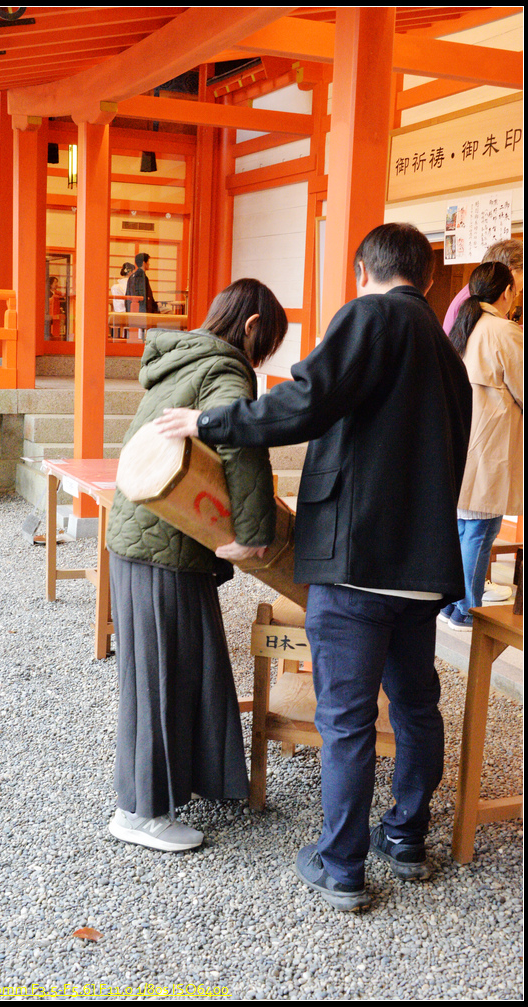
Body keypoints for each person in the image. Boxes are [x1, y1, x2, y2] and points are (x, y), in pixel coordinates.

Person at [154, 223, 472, 910]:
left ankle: (341, 864)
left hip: (356, 560)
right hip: (422, 565)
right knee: (416, 707)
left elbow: (306, 399)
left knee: (347, 718)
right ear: (424, 276)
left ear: (363, 270)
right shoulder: (448, 350)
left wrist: (209, 422)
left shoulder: (369, 315)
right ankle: (406, 837)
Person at [106, 278, 289, 853]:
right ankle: (141, 812)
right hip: (165, 539)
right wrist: (254, 535)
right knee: (162, 674)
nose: (261, 359)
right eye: (266, 345)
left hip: (142, 531)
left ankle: (189, 783)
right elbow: (241, 443)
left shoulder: (180, 359)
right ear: (252, 326)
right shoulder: (225, 368)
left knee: (182, 665)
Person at [439, 262, 523, 631]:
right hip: (489, 446)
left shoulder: (464, 326)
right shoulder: (503, 330)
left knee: (462, 528)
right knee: (480, 532)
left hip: (461, 440)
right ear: (506, 292)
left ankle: (449, 605)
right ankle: (467, 610)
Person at [442, 238, 523, 335]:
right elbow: (503, 335)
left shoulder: (481, 292)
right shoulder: (477, 298)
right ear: (510, 271)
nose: (519, 292)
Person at [111, 262, 135, 339]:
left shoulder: (116, 287)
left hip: (120, 312)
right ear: (130, 272)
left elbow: (118, 306)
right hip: (131, 313)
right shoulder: (132, 286)